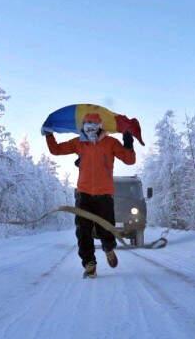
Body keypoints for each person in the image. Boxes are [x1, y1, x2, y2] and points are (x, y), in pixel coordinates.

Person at [45, 113, 136, 278]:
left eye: (93, 124)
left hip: (104, 194)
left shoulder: (110, 143)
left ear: (100, 125)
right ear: (83, 126)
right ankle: (89, 264)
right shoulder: (79, 143)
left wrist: (128, 143)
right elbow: (56, 150)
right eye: (87, 124)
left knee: (106, 228)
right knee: (83, 231)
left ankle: (108, 248)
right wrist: (49, 134)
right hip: (84, 194)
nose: (90, 127)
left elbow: (129, 160)